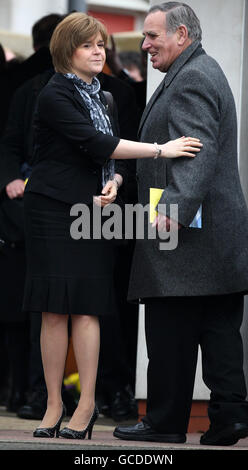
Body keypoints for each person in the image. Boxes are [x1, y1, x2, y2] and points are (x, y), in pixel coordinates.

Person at [22, 12, 201, 439]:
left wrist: (115, 183)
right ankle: (52, 406)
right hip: (50, 209)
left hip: (92, 211)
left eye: (101, 43)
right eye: (88, 45)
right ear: (67, 51)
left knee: (86, 307)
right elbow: (97, 143)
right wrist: (162, 150)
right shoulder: (54, 93)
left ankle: (85, 407)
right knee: (52, 310)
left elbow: (110, 160)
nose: (99, 51)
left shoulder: (103, 96)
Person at [113, 2, 248, 447]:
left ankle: (166, 422)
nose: (145, 44)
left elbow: (197, 150)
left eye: (152, 36)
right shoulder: (200, 70)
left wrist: (169, 211)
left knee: (171, 329)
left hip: (187, 235)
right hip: (213, 236)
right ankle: (230, 419)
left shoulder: (191, 77)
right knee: (218, 329)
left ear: (182, 35)